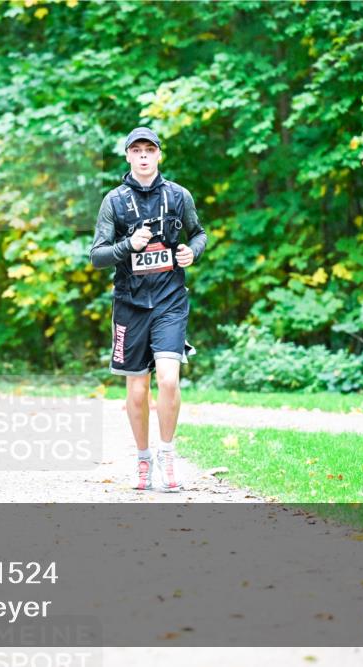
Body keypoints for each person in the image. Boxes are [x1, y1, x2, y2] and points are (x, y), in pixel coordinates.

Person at [90, 127, 207, 492]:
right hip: (130, 304)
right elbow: (96, 257)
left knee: (170, 379)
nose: (143, 156)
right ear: (127, 156)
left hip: (171, 299)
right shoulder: (114, 201)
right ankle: (143, 459)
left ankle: (168, 454)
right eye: (136, 150)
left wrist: (193, 251)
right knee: (138, 391)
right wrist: (128, 245)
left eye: (149, 150)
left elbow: (198, 233)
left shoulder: (178, 196)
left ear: (159, 155)